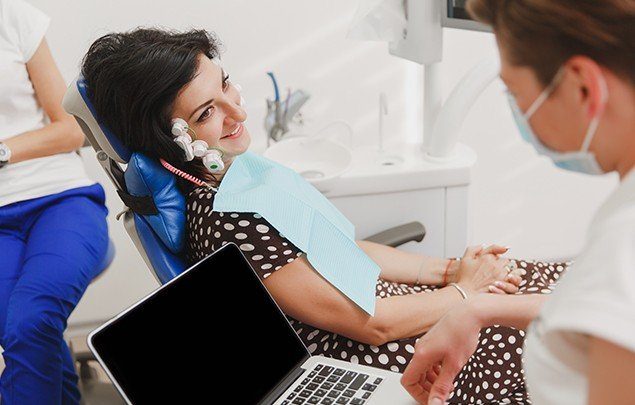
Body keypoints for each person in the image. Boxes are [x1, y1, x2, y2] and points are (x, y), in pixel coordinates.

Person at [80, 28, 569, 403]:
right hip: (382, 352)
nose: (238, 112)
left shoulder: (240, 175)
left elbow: (340, 244)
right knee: (569, 328)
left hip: (402, 309)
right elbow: (372, 326)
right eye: (208, 112)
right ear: (169, 139)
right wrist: (464, 293)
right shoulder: (229, 221)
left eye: (226, 85)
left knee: (550, 282)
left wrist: (450, 271)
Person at [401, 0, 635, 404]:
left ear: (583, 86)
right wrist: (476, 310)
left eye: (516, 93)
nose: (520, 114)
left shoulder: (622, 245)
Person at [0, 0, 109, 403]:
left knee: (29, 322)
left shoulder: (12, 18)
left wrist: (2, 151)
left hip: (59, 200)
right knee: (26, 332)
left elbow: (71, 131)